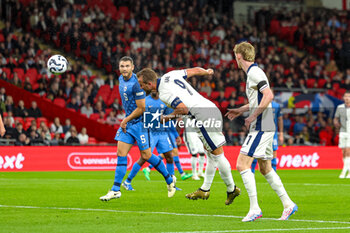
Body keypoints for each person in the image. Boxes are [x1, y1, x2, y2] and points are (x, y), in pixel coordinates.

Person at [137, 67, 240, 206]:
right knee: (209, 152)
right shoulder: (171, 75)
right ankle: (205, 189)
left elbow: (183, 109)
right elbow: (195, 70)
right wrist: (207, 72)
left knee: (217, 154)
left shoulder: (164, 92)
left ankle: (231, 189)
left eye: (141, 84)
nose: (141, 87)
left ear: (150, 84)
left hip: (202, 115)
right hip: (209, 107)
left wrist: (165, 118)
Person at [225, 42, 297, 222]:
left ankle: (255, 208)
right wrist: (241, 110)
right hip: (265, 123)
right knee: (265, 168)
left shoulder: (255, 73)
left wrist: (252, 116)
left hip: (262, 124)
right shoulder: (253, 73)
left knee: (242, 165)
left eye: (235, 55)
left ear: (239, 56)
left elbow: (269, 95)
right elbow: (258, 100)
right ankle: (288, 204)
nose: (235, 58)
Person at [100, 56, 176, 202]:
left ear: (133, 67)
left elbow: (141, 108)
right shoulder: (121, 79)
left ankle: (168, 179)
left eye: (127, 66)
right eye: (122, 66)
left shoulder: (137, 84)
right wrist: (127, 120)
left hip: (140, 123)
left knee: (147, 155)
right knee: (120, 153)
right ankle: (116, 190)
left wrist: (125, 119)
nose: (124, 69)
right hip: (129, 124)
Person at [122, 91, 175, 191]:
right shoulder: (145, 100)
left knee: (169, 157)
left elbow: (169, 116)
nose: (154, 91)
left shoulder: (164, 101)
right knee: (144, 157)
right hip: (149, 132)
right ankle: (127, 181)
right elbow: (140, 116)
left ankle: (172, 184)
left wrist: (174, 133)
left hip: (162, 132)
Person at [251, 100, 283, 173]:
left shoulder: (276, 105)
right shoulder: (260, 104)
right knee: (256, 150)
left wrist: (281, 133)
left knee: (274, 152)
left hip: (273, 132)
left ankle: (274, 172)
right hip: (261, 131)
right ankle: (251, 171)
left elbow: (280, 119)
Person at [183, 116, 206, 180]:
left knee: (202, 152)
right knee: (194, 154)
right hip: (189, 134)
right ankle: (194, 174)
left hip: (197, 133)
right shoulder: (185, 109)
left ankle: (200, 172)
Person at [334, 91, 350, 179]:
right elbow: (336, 118)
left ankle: (344, 171)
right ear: (343, 98)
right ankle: (349, 171)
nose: (347, 98)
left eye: (349, 96)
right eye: (346, 96)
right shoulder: (339, 107)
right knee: (343, 152)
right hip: (342, 131)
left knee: (348, 151)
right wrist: (336, 123)